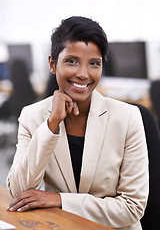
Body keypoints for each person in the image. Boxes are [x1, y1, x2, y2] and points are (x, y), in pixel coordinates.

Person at [6, 16, 149, 230]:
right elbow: (19, 192)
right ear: (53, 64)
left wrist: (61, 200)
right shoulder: (32, 116)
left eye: (94, 63)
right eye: (71, 61)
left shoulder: (128, 117)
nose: (83, 74)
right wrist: (51, 124)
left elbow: (132, 208)